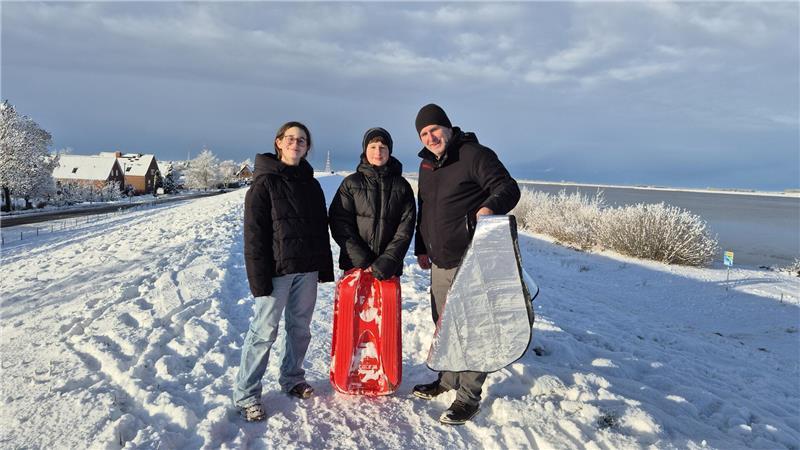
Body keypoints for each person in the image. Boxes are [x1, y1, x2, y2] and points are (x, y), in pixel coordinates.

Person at [412, 103, 520, 425]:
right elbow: (425, 209)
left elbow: (508, 187)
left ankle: (469, 397)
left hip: (472, 261)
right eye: (424, 133)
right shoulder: (427, 166)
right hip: (439, 262)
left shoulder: (474, 154)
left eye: (434, 130)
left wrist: (489, 207)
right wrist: (422, 247)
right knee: (444, 326)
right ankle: (447, 380)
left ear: (447, 127)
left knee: (474, 331)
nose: (431, 137)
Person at [235, 121, 334, 422]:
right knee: (264, 332)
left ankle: (292, 378)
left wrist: (323, 268)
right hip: (276, 271)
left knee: (300, 329)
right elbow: (254, 235)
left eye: (301, 140)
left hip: (306, 270)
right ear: (278, 142)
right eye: (290, 138)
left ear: (307, 147)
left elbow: (320, 229)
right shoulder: (263, 184)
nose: (295, 143)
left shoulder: (312, 184)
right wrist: (259, 278)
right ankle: (247, 394)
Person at [329, 127, 416, 282]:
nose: (378, 152)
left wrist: (388, 260)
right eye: (373, 147)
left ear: (390, 151)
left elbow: (405, 229)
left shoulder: (401, 186)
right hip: (355, 266)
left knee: (387, 306)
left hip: (388, 270)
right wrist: (362, 259)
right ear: (365, 150)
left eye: (383, 147)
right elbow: (340, 223)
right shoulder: (351, 183)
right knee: (352, 306)